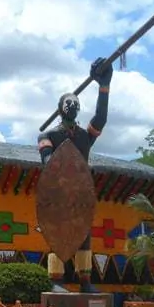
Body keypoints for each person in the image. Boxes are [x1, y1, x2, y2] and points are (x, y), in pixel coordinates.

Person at [36, 57, 112, 293]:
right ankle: (56, 279)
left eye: (75, 103)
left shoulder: (84, 136)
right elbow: (49, 163)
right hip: (59, 195)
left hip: (81, 195)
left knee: (84, 236)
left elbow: (100, 119)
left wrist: (104, 86)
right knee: (57, 234)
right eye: (69, 103)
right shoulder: (48, 135)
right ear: (61, 109)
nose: (73, 106)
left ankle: (85, 280)